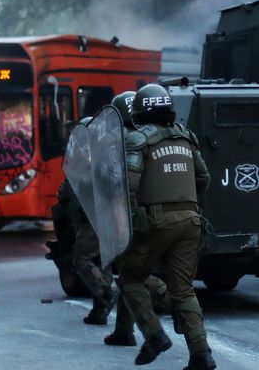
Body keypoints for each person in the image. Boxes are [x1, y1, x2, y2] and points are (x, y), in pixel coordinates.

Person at [117, 84, 215, 369]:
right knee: (183, 289)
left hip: (157, 222)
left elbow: (129, 185)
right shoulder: (186, 138)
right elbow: (204, 179)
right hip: (191, 221)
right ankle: (202, 355)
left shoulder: (138, 139)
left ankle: (155, 336)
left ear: (138, 112)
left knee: (130, 278)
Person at [104, 91, 171, 348]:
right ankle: (123, 331)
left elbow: (117, 180)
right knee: (128, 270)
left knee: (132, 274)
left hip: (131, 217)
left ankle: (172, 301)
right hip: (153, 214)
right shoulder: (154, 134)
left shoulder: (123, 139)